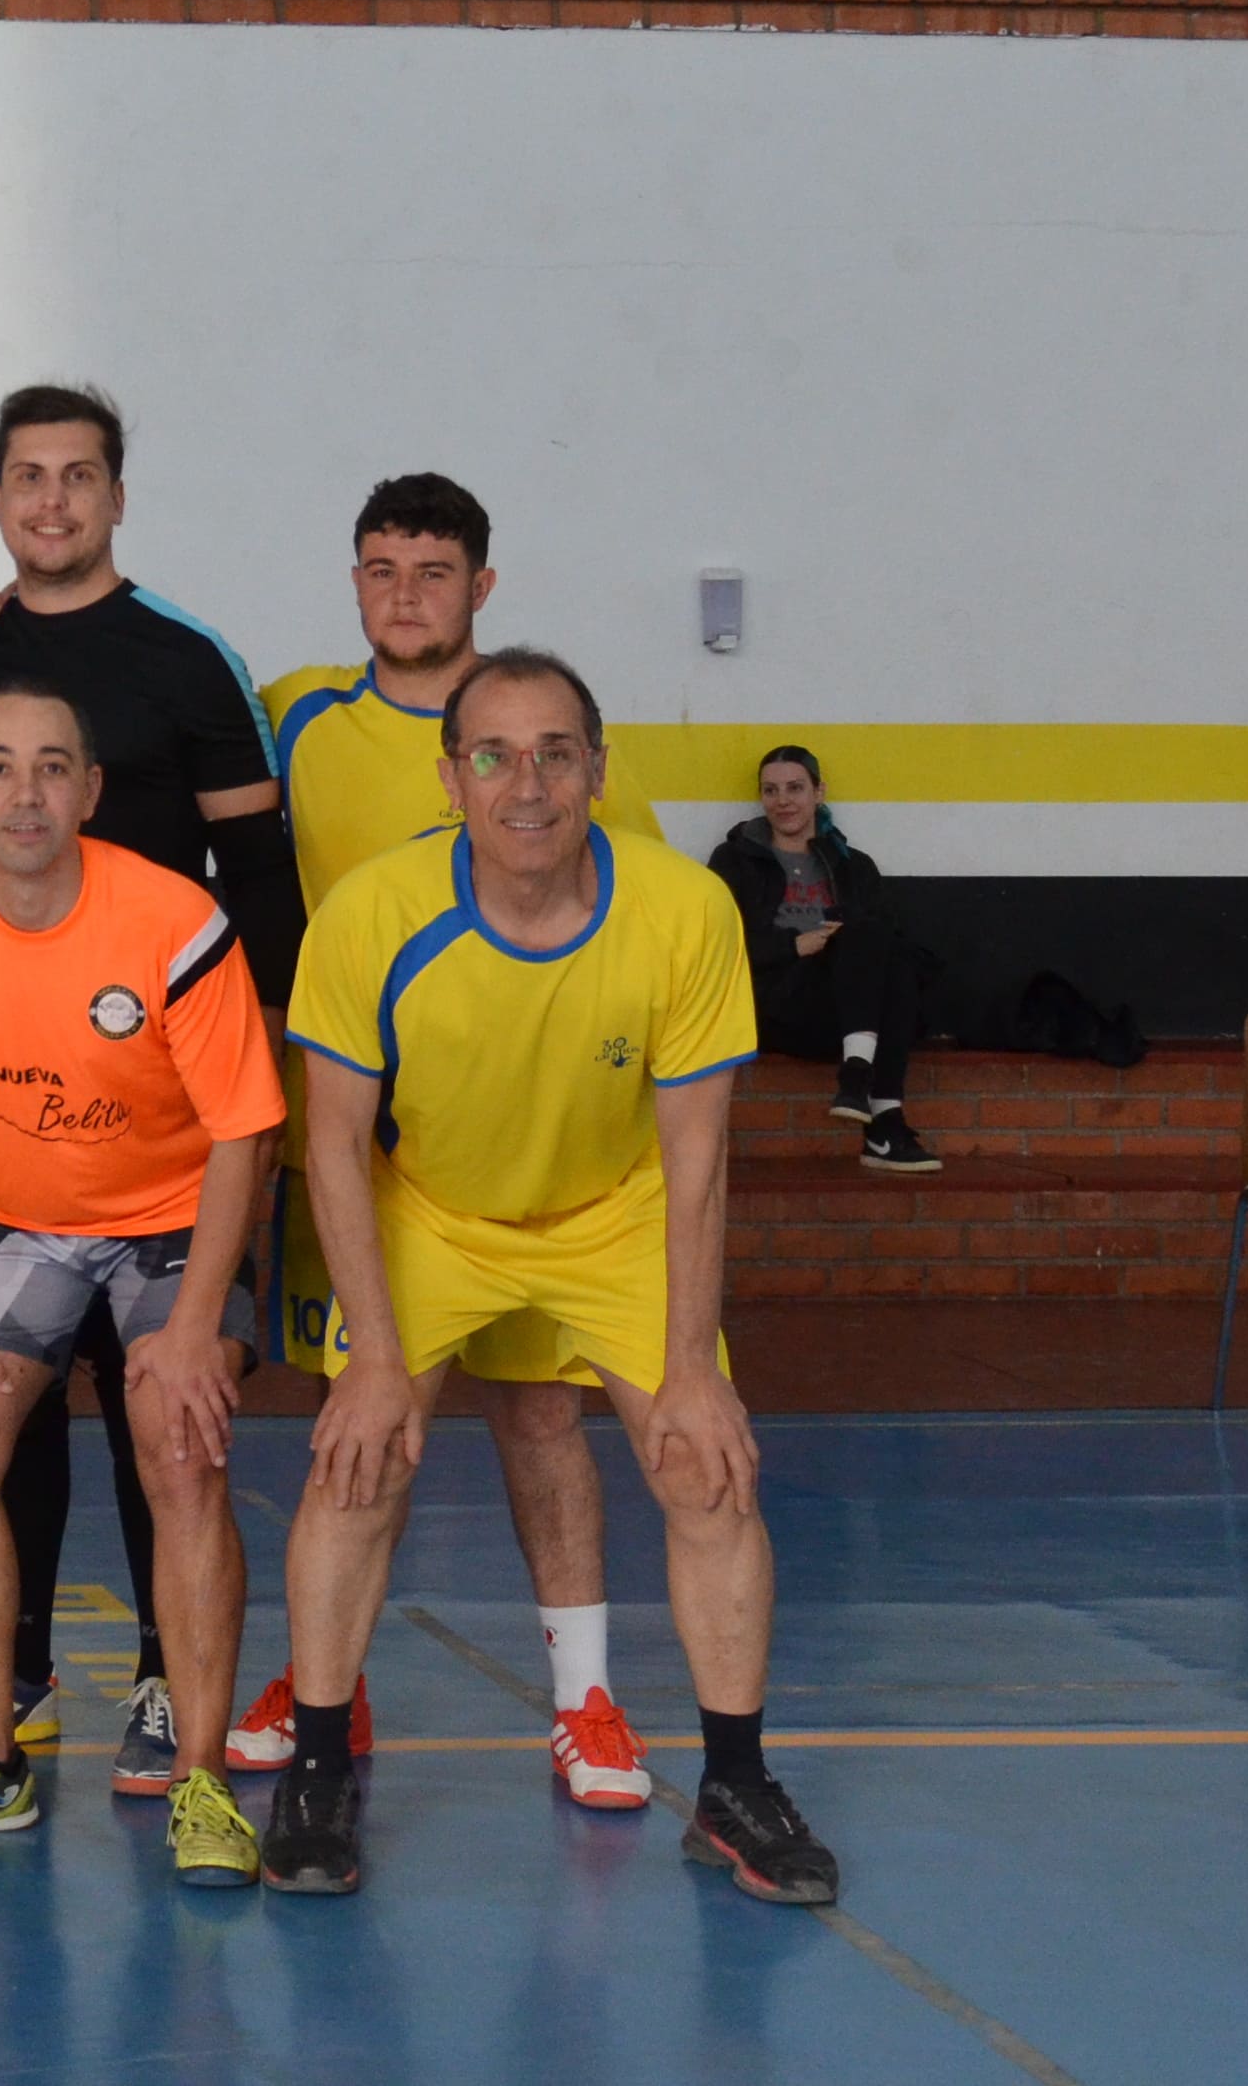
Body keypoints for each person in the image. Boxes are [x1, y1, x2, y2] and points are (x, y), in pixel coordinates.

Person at [263, 647, 837, 1911]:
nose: (523, 784)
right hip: (433, 1211)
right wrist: (370, 1361)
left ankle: (735, 1786)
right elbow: (333, 1143)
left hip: (609, 1210)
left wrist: (689, 1370)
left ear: (595, 770)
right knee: (355, 1459)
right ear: (449, 779)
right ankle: (316, 1768)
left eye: (552, 754)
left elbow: (695, 1159)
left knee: (704, 1465)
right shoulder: (369, 911)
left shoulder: (682, 911)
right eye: (491, 756)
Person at [242, 474, 657, 1811]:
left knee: (540, 1416)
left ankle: (584, 1701)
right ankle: (329, 1685)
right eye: (380, 569)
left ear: (480, 586)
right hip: (368, 1149)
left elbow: (640, 936)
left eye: (431, 571)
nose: (403, 595)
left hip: (535, 1154)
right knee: (358, 1421)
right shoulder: (293, 713)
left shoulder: (547, 745)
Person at [0, 383, 301, 1780]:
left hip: (167, 1101)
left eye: (78, 476)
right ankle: (12, 1678)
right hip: (8, 1097)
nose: (52, 501)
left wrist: (263, 1086)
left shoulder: (188, 660)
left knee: (160, 1404)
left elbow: (261, 881)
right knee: (5, 1407)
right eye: (28, 476)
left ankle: (157, 1679)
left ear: (117, 498)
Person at [0, 679, 278, 1882]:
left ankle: (199, 1780)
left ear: (89, 791)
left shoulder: (172, 919)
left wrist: (193, 1327)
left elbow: (244, 1130)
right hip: (17, 1221)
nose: (23, 792)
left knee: (178, 1439)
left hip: (173, 1215)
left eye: (50, 767)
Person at [707, 747, 946, 1176]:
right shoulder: (734, 861)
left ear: (819, 793)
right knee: (870, 941)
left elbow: (887, 943)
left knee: (882, 945)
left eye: (795, 788)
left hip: (847, 1009)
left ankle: (861, 1082)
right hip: (777, 1005)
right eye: (771, 790)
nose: (783, 801)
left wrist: (846, 941)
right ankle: (882, 1115)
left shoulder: (855, 866)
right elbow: (717, 944)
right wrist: (795, 945)